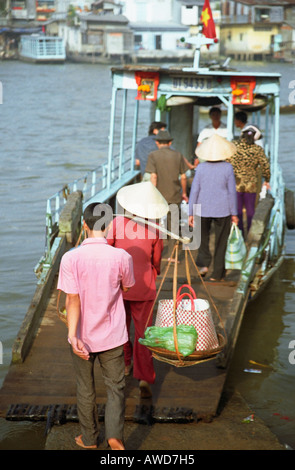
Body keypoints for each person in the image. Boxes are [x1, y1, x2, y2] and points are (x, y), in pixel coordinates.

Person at [57, 202, 135, 450]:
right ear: (110, 225)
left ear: (84, 225)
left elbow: (72, 299)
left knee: (85, 388)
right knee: (115, 388)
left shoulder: (71, 258)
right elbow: (127, 287)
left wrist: (73, 336)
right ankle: (114, 438)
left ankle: (90, 439)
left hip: (82, 336)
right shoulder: (122, 256)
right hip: (113, 336)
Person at [107, 182, 167, 398]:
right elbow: (157, 260)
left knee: (120, 328)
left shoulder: (116, 223)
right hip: (145, 287)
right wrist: (154, 271)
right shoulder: (155, 228)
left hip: (120, 286)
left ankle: (124, 365)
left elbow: (108, 251)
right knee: (144, 333)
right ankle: (144, 376)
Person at [189, 134, 238, 281]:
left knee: (203, 239)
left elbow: (195, 190)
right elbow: (231, 192)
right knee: (221, 241)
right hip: (223, 209)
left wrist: (191, 212)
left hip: (203, 208)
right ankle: (218, 273)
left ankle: (203, 266)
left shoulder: (201, 168)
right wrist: (234, 213)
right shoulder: (228, 168)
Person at [145, 129, 188, 259]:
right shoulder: (178, 155)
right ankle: (172, 256)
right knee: (173, 225)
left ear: (157, 142)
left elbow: (153, 177)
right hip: (174, 195)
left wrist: (152, 195)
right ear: (170, 142)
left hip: (159, 196)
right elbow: (184, 177)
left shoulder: (153, 155)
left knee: (155, 225)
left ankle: (154, 254)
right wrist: (184, 192)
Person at [228, 126, 271, 236]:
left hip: (236, 184)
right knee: (250, 210)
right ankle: (250, 233)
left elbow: (227, 162)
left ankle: (239, 233)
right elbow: (265, 166)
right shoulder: (257, 149)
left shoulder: (233, 146)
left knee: (237, 210)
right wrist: (267, 179)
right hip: (251, 185)